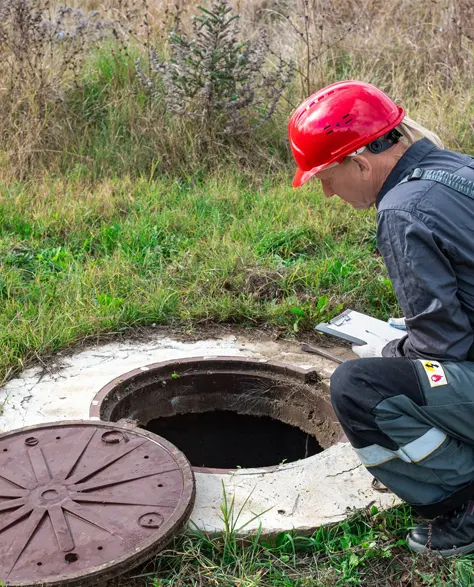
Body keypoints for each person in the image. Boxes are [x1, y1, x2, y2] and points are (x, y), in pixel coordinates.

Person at [288, 80, 474, 556]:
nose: (327, 193)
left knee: (359, 388)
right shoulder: (458, 169)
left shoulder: (401, 210)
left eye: (325, 178)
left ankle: (462, 502)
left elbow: (441, 348)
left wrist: (391, 351)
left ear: (360, 163)